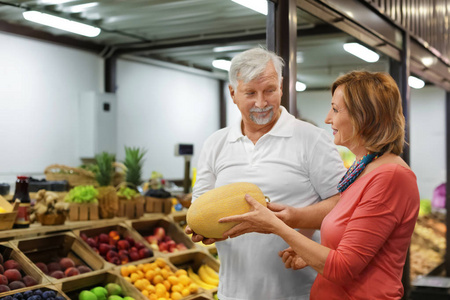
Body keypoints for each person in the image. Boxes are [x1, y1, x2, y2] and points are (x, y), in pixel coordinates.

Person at [219, 71, 420, 299]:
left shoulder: (391, 177)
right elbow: (354, 247)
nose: (327, 118)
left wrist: (275, 226)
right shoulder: (364, 167)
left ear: (364, 115)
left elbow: (343, 267)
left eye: (335, 109)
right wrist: (311, 254)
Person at [185, 47, 347, 300]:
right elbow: (200, 206)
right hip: (233, 293)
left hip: (302, 293)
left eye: (269, 90)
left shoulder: (311, 139)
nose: (261, 103)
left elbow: (346, 207)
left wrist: (294, 217)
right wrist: (200, 228)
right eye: (250, 93)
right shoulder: (215, 144)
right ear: (233, 93)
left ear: (281, 87)